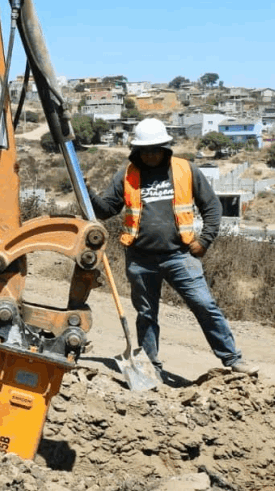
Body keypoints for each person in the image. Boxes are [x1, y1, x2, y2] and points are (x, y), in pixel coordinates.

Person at [88, 117, 258, 376]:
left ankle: (233, 359)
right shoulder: (127, 174)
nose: (151, 155)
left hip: (180, 256)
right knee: (146, 314)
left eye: (156, 149)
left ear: (166, 147)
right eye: (145, 151)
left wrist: (205, 240)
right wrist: (87, 192)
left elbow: (212, 206)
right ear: (137, 151)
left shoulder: (185, 170)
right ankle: (150, 365)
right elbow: (106, 210)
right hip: (140, 258)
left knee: (204, 305)